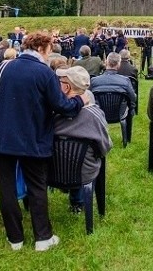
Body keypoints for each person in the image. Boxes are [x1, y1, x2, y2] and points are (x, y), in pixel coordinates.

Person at [0, 32, 89, 252]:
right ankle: (42, 237)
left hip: (2, 136)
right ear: (41, 48)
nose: (50, 54)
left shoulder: (3, 67)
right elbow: (62, 106)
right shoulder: (43, 72)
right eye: (49, 49)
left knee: (6, 188)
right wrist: (79, 100)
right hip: (33, 136)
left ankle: (15, 238)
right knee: (37, 186)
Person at [53, 65, 112, 212]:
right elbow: (105, 147)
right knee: (86, 157)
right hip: (83, 173)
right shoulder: (95, 115)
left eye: (60, 81)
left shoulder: (51, 114)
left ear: (66, 87)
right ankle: (78, 202)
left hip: (50, 171)